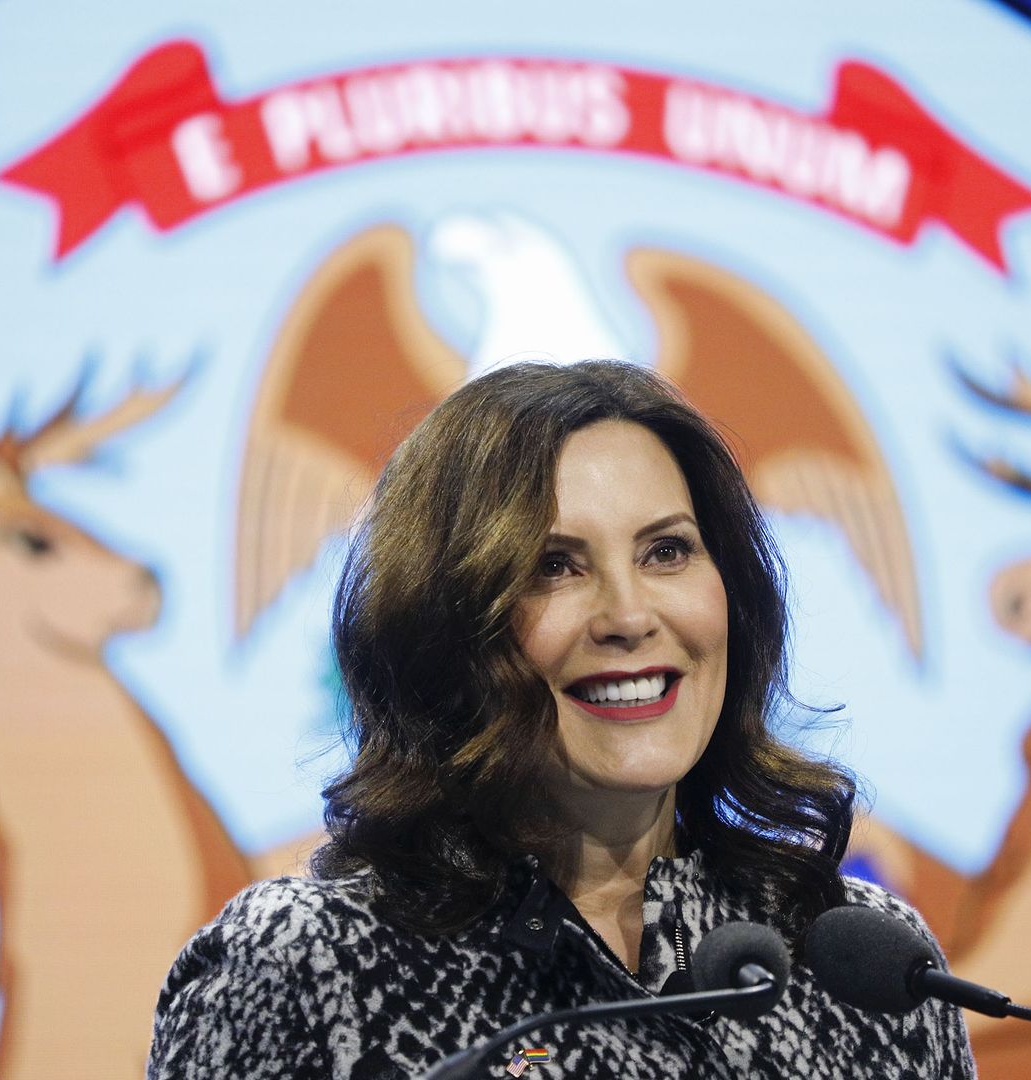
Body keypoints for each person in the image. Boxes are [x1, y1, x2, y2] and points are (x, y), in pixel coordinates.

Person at [147, 361, 974, 1078]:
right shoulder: (298, 963)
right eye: (555, 566)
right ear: (444, 626)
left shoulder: (860, 965)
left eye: (667, 551)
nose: (627, 615)